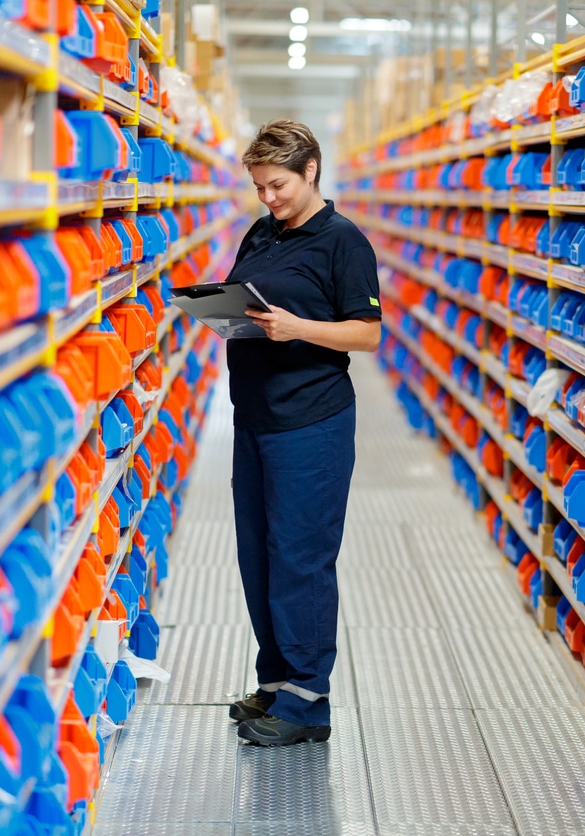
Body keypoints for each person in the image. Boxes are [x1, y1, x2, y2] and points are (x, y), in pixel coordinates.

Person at [224, 119, 381, 746]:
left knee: (301, 558)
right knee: (258, 554)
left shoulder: (343, 241)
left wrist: (298, 328)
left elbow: (366, 334)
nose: (269, 199)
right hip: (254, 414)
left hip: (310, 421)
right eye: (260, 187)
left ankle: (308, 702)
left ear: (311, 170)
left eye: (278, 185)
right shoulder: (261, 232)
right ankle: (276, 682)